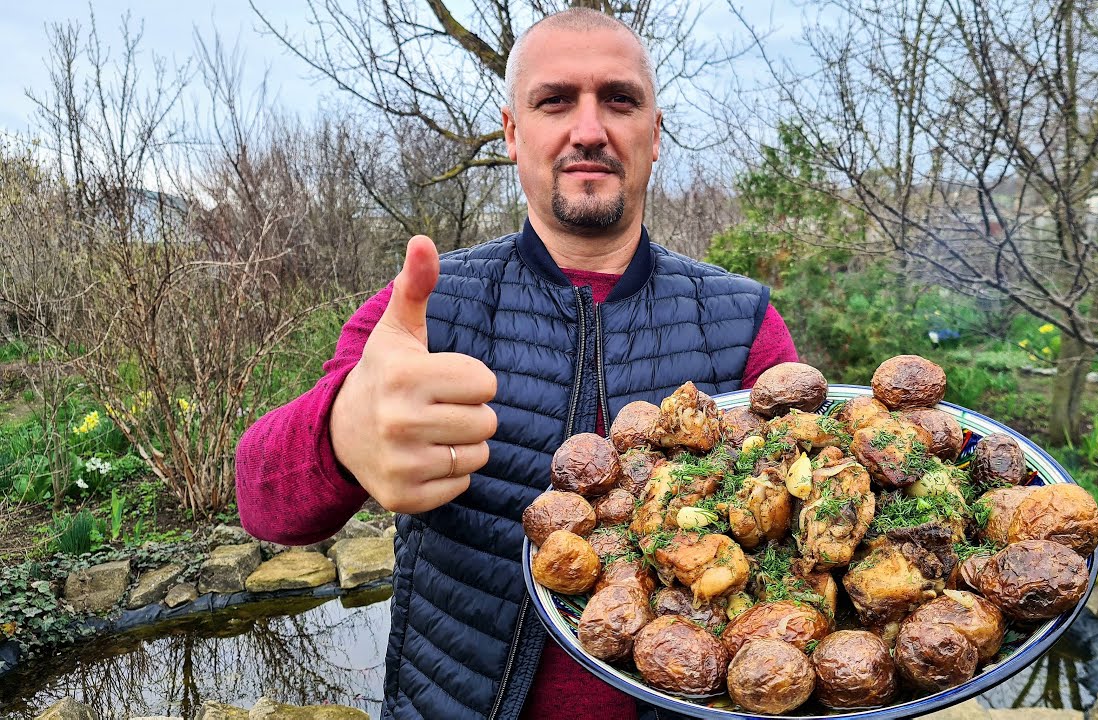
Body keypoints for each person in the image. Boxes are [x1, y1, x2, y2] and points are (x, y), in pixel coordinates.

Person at [235, 8, 798, 719]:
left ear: (655, 137)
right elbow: (261, 499)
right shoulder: (426, 308)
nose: (588, 129)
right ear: (511, 132)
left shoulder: (742, 321)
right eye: (555, 101)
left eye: (619, 101)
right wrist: (341, 432)